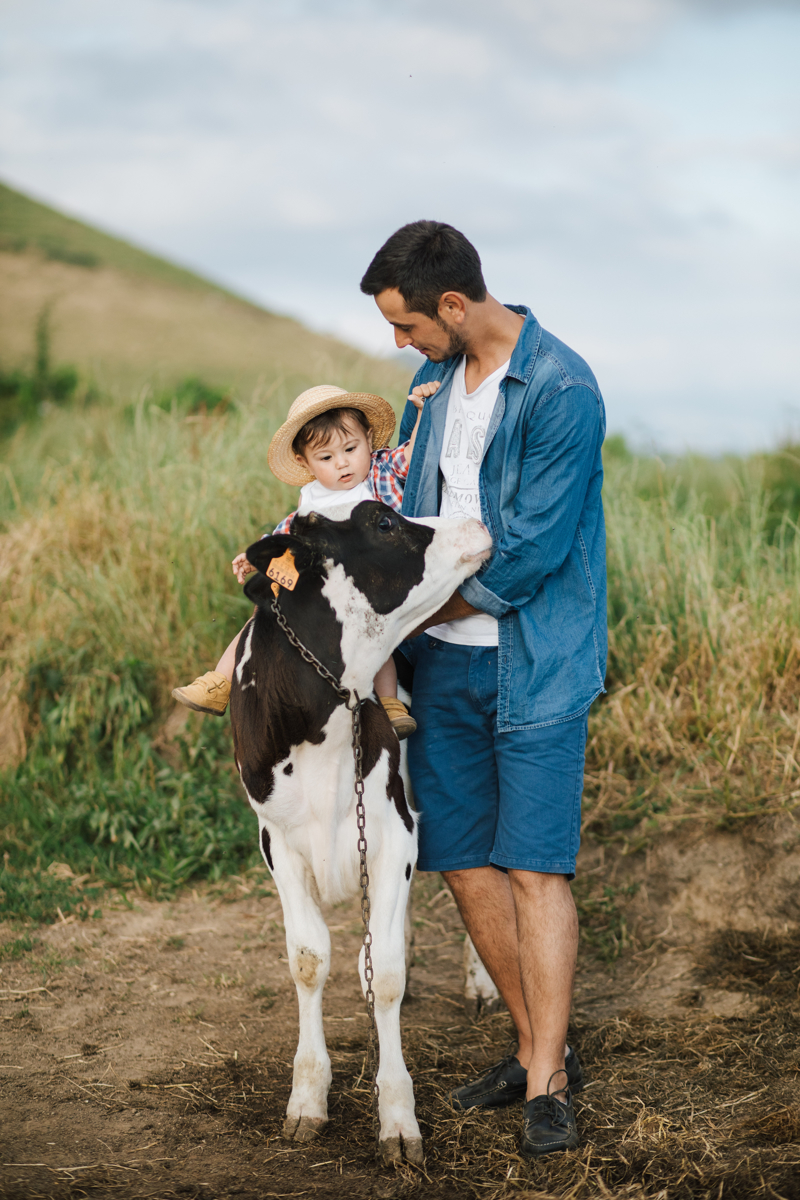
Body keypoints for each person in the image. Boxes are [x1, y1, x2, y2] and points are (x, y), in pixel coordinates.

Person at [360, 221, 607, 1157]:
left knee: (536, 868)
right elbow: (403, 505)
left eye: (407, 325)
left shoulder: (563, 390)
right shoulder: (429, 385)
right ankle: (536, 1044)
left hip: (532, 655)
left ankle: (547, 1082)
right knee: (464, 862)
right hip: (443, 666)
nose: (401, 347)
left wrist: (405, 618)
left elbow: (535, 554)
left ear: (454, 308)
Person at [172, 383, 435, 738]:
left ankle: (390, 702)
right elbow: (287, 535)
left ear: (369, 439)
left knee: (377, 629)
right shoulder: (312, 497)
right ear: (304, 462)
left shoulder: (379, 472)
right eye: (326, 458)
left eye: (351, 448)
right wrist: (256, 555)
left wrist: (421, 412)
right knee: (266, 605)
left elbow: (412, 455)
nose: (342, 463)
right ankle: (220, 681)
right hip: (322, 583)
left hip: (370, 580)